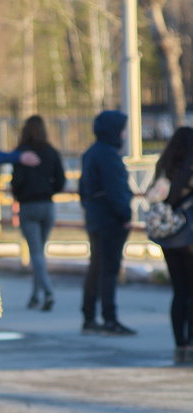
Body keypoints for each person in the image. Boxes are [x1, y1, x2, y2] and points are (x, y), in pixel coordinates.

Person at [79, 110, 136, 336]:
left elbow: (84, 190)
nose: (124, 134)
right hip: (109, 220)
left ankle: (90, 315)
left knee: (96, 267)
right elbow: (116, 190)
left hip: (95, 217)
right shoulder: (109, 155)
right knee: (109, 270)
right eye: (122, 129)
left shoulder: (91, 153)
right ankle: (109, 318)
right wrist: (125, 216)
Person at [11, 115, 65, 311]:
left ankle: (48, 292)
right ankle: (35, 296)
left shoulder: (22, 153)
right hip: (47, 206)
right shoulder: (51, 152)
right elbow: (61, 181)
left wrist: (20, 193)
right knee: (39, 253)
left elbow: (16, 182)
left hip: (28, 206)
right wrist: (48, 189)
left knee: (35, 253)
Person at [150, 126, 193, 363]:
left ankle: (180, 342)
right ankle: (191, 340)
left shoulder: (163, 167)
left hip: (168, 235)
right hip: (189, 234)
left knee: (179, 290)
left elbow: (153, 195)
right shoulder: (190, 168)